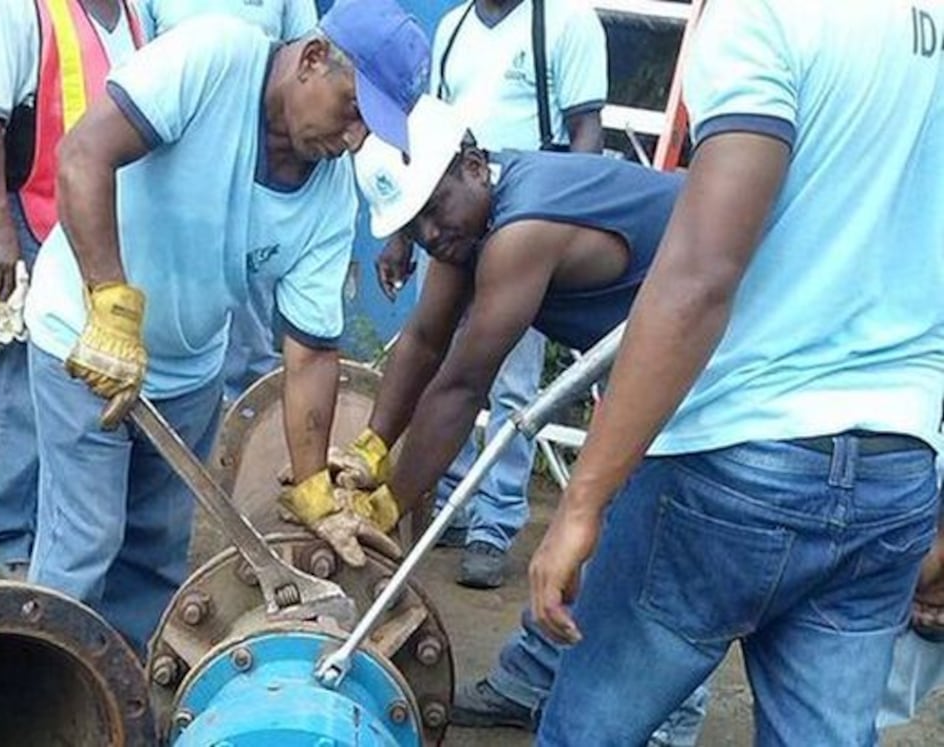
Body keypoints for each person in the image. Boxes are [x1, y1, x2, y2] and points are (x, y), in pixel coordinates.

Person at [526, 1, 944, 744]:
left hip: (739, 461)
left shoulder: (768, 14)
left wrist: (584, 499)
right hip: (896, 465)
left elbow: (698, 278)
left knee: (588, 730)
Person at [20, 0, 430, 652]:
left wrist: (315, 487)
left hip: (187, 371)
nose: (354, 138)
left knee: (154, 561)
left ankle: (121, 703)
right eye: (353, 110)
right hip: (83, 337)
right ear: (314, 59)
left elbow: (312, 352)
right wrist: (110, 307)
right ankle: (41, 699)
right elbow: (82, 156)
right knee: (84, 543)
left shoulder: (329, 195)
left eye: (371, 128)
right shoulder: (212, 56)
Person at [327, 95, 707, 740]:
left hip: (713, 341)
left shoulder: (522, 229)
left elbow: (463, 384)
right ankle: (531, 675)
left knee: (653, 525)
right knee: (606, 523)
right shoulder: (466, 225)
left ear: (473, 165)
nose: (429, 237)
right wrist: (369, 448)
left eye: (433, 211)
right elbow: (423, 341)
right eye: (414, 225)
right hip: (647, 348)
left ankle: (667, 717)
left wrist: (386, 506)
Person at [384, 0, 608, 591]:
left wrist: (563, 209)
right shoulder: (454, 26)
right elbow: (425, 137)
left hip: (529, 228)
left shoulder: (566, 21)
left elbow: (586, 128)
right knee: (449, 363)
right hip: (460, 223)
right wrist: (408, 238)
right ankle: (452, 503)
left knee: (509, 389)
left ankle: (494, 521)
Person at [0, 0, 145, 570]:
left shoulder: (135, 12)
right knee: (17, 377)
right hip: (35, 225)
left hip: (100, 233)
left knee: (72, 387)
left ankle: (48, 532)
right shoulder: (16, 8)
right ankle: (6, 543)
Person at [137, 0, 322, 401]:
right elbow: (134, 59)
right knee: (157, 319)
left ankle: (239, 436)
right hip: (176, 170)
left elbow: (305, 56)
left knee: (245, 339)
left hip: (257, 177)